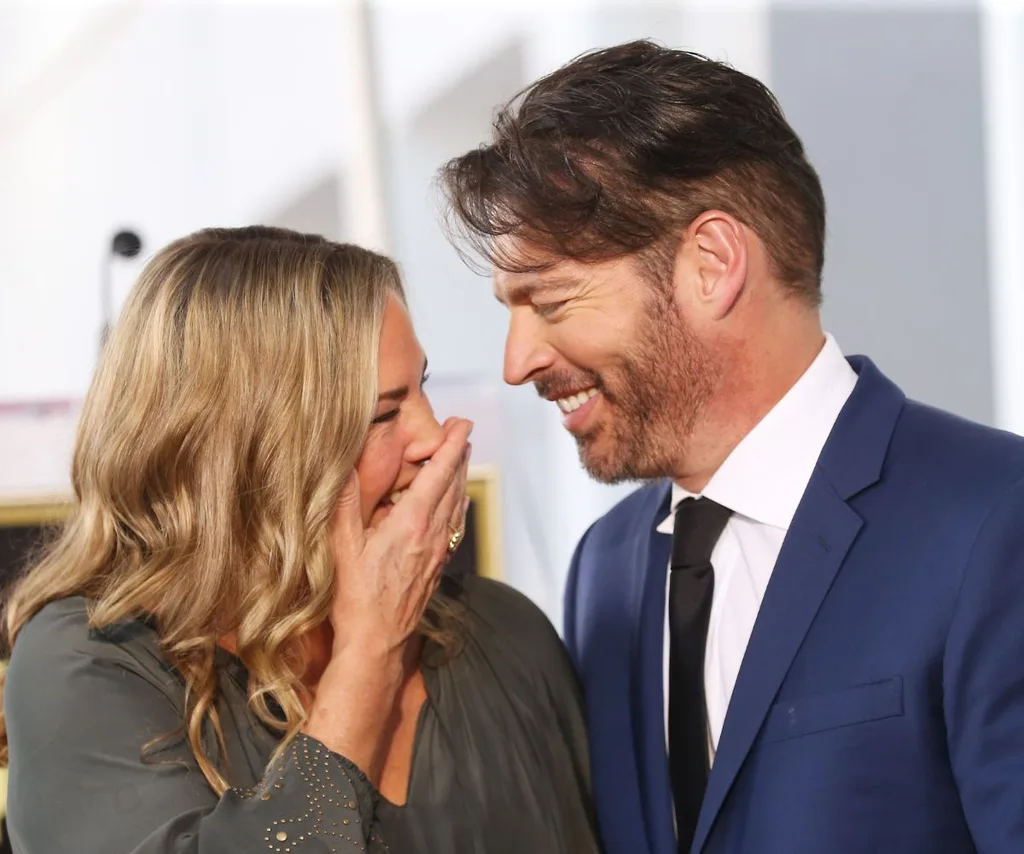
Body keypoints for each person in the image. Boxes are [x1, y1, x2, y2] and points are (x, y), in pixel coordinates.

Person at [440, 38, 1024, 854]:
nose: (517, 362)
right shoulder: (605, 570)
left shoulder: (995, 519)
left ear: (711, 264)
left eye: (552, 298)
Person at [0, 226, 600, 854]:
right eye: (384, 414)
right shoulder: (90, 662)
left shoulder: (499, 631)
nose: (433, 436)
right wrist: (369, 651)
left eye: (424, 387)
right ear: (250, 454)